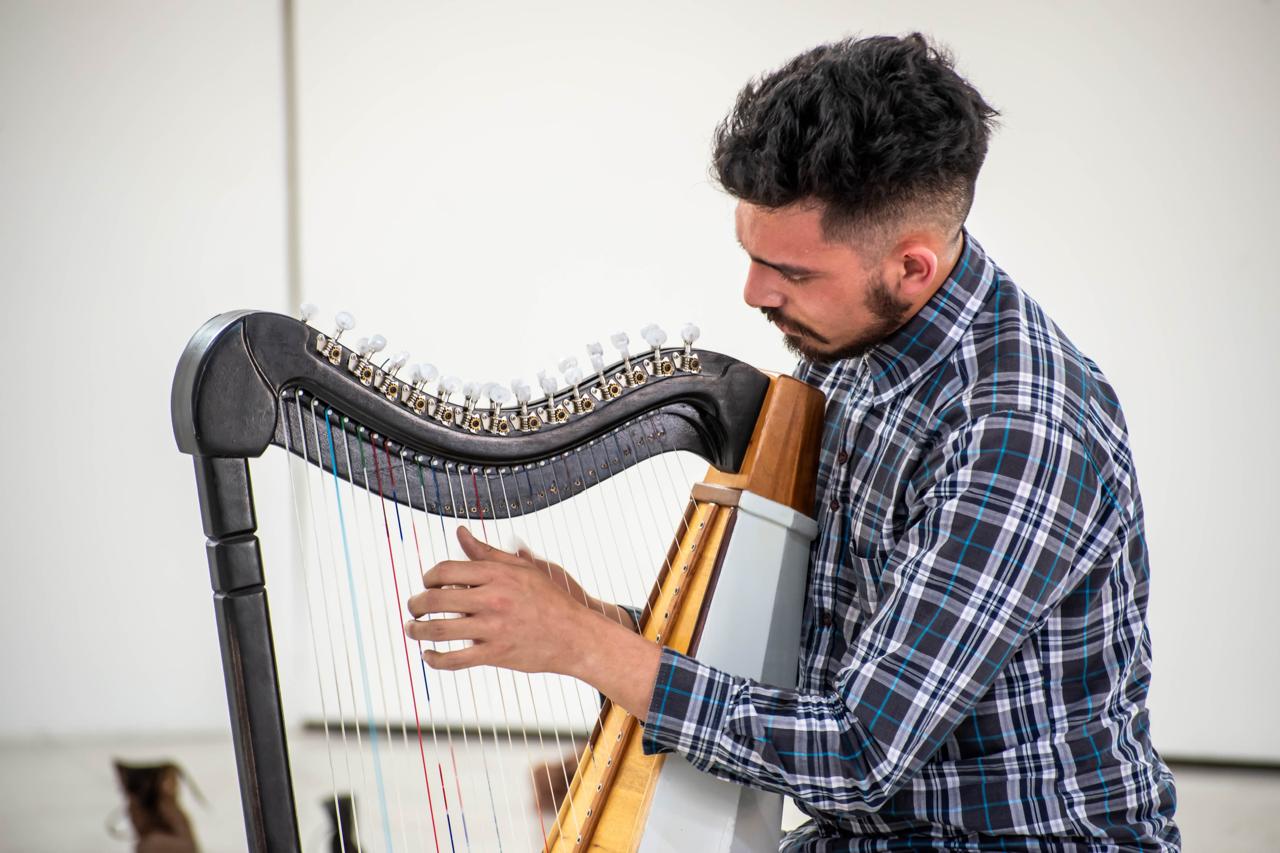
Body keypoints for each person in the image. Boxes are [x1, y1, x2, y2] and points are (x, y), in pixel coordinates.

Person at [404, 33, 1179, 851]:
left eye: (793, 272)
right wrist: (595, 619)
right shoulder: (852, 355)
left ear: (911, 268)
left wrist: (591, 649)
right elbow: (814, 662)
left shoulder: (1019, 426)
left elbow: (856, 750)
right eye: (750, 254)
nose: (754, 292)